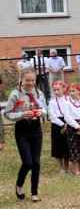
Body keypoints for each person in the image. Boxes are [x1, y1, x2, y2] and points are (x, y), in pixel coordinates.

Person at [4, 70, 48, 201]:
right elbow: (7, 114)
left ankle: (34, 193)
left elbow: (46, 110)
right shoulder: (15, 95)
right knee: (27, 162)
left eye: (33, 80)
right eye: (27, 80)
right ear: (21, 80)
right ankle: (19, 184)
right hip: (22, 130)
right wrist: (21, 115)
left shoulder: (39, 93)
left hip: (36, 129)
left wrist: (41, 112)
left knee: (36, 162)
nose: (30, 83)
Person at [48, 81, 70, 174]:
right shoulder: (52, 101)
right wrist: (62, 125)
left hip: (68, 122)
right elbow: (53, 116)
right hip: (57, 125)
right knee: (58, 146)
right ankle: (60, 167)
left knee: (67, 145)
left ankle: (67, 166)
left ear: (64, 89)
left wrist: (67, 125)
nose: (56, 92)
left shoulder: (68, 99)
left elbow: (70, 111)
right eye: (54, 90)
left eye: (58, 89)